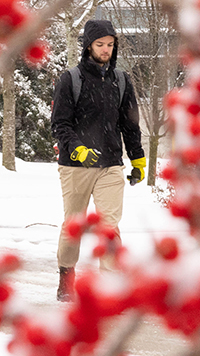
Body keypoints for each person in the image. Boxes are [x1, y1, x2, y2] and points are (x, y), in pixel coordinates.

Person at [50, 19, 145, 301]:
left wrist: (138, 158)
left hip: (110, 165)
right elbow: (59, 124)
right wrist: (78, 148)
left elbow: (130, 124)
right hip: (75, 166)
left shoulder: (121, 80)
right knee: (74, 225)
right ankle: (66, 276)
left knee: (109, 226)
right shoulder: (71, 79)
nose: (105, 50)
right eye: (100, 44)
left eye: (110, 45)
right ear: (88, 45)